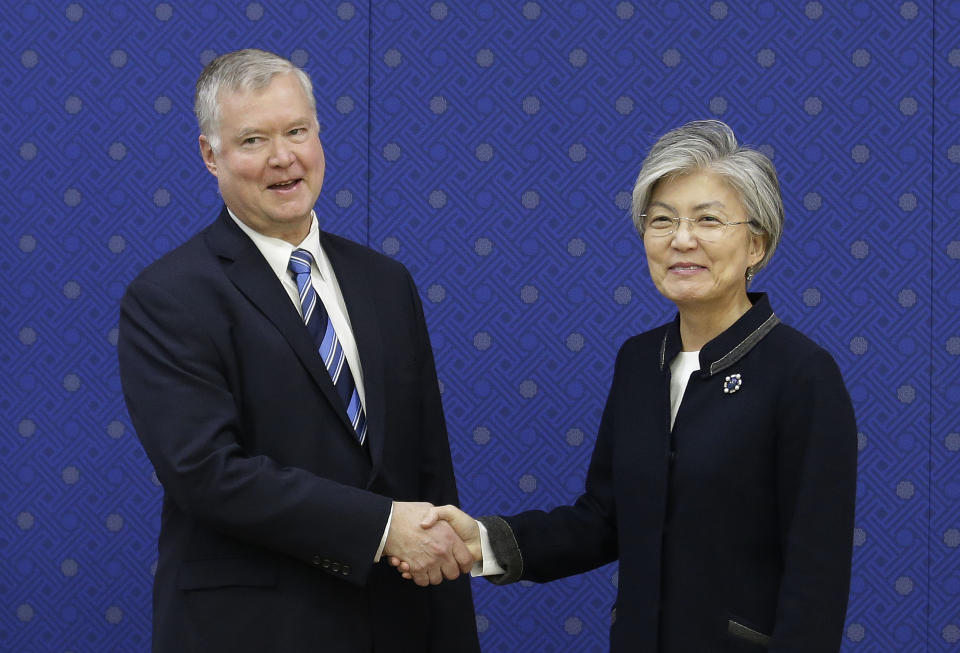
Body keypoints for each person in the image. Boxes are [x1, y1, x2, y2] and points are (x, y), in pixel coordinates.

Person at [398, 120, 858, 652]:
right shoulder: (641, 361)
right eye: (662, 221)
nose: (681, 239)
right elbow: (604, 519)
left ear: (757, 242)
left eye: (708, 220)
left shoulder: (801, 373)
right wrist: (482, 542)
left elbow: (817, 574)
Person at [117, 49, 480, 653]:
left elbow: (429, 471)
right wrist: (384, 528)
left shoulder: (385, 281)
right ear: (212, 156)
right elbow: (205, 473)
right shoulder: (169, 297)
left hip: (396, 624)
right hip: (253, 630)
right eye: (254, 139)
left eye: (297, 131)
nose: (283, 158)